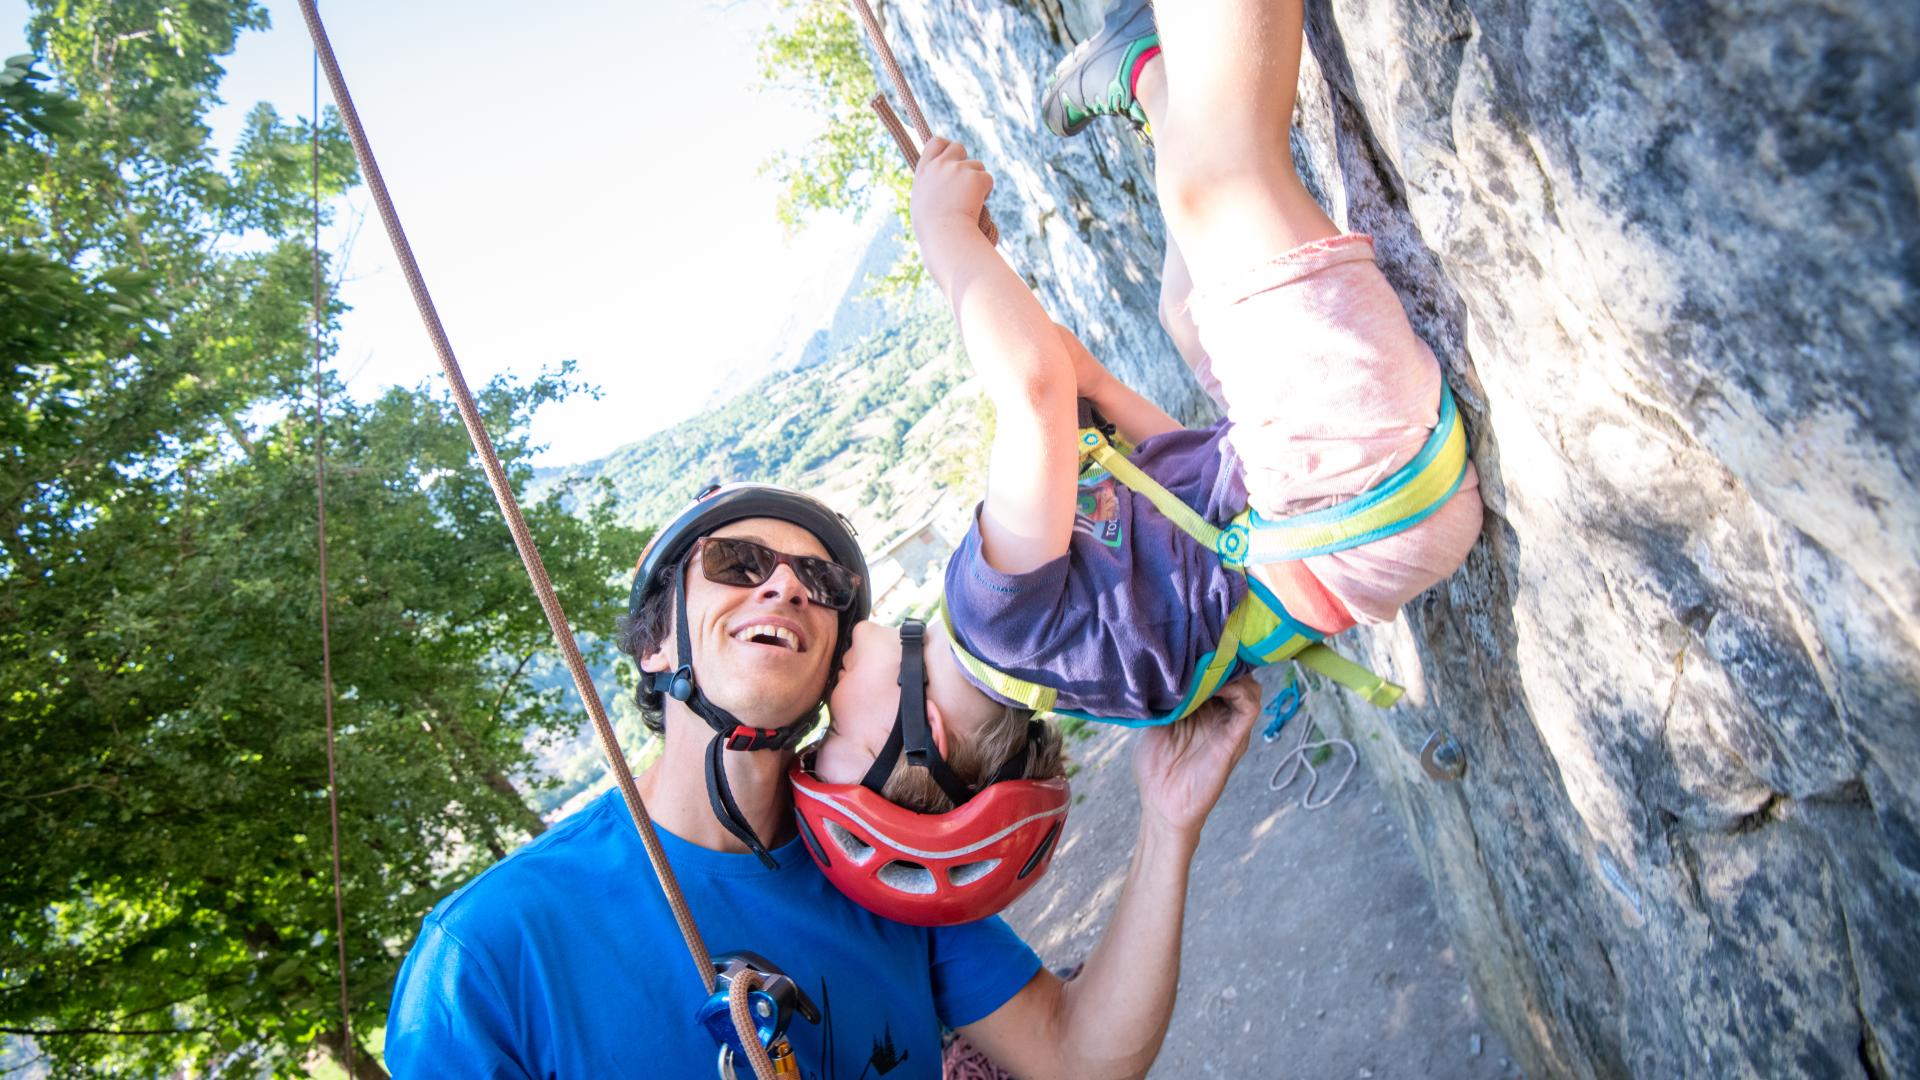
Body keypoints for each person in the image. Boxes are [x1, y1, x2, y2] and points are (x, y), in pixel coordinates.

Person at [809, 0, 1482, 822]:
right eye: (833, 741)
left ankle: (1153, 74)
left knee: (1185, 310)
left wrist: (1092, 378)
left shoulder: (1072, 679)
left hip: (1348, 533)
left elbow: (1186, 508)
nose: (823, 709)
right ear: (927, 737)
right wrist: (945, 234)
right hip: (1340, 484)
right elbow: (1031, 392)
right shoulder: (988, 620)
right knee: (1220, 180)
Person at [384, 482, 1260, 1079]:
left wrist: (1169, 825)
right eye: (736, 564)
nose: (784, 589)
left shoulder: (877, 872)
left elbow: (1079, 1058)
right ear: (656, 646)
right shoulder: (488, 959)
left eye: (821, 582)